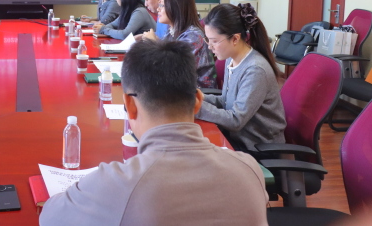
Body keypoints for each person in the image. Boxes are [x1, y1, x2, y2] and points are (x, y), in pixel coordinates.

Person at [40, 39, 268, 226]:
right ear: (198, 101)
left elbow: (49, 217)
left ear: (129, 105)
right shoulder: (249, 170)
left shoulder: (114, 185)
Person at [196, 3, 286, 152]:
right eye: (208, 40)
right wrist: (198, 97)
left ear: (235, 39)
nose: (209, 47)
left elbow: (236, 120)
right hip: (237, 137)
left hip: (257, 147)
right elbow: (226, 101)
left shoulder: (255, 70)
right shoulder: (231, 59)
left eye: (215, 41)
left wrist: (197, 107)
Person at [143, 0, 217, 89]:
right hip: (177, 88)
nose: (158, 9)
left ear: (176, 9)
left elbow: (171, 68)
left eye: (162, 5)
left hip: (196, 92)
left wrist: (154, 42)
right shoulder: (172, 31)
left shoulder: (194, 36)